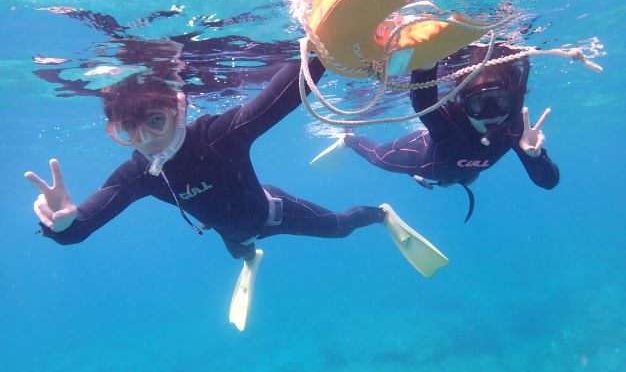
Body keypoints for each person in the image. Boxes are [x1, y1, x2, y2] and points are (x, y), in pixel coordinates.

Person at [25, 54, 448, 331]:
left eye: (155, 121)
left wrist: (321, 49)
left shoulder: (219, 135)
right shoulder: (138, 174)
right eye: (127, 130)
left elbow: (282, 96)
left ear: (179, 107)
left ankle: (380, 214)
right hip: (229, 231)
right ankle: (249, 255)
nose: (146, 140)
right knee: (240, 249)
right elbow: (79, 229)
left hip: (273, 212)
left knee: (338, 227)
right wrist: (60, 224)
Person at [312, 43, 559, 221]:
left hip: (460, 171)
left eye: (501, 100)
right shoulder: (449, 126)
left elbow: (548, 182)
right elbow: (423, 102)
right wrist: (426, 61)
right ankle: (348, 138)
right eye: (479, 103)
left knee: (464, 176)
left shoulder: (517, 128)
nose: (491, 113)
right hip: (421, 160)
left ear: (513, 99)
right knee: (377, 157)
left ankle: (450, 179)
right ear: (463, 103)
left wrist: (536, 156)